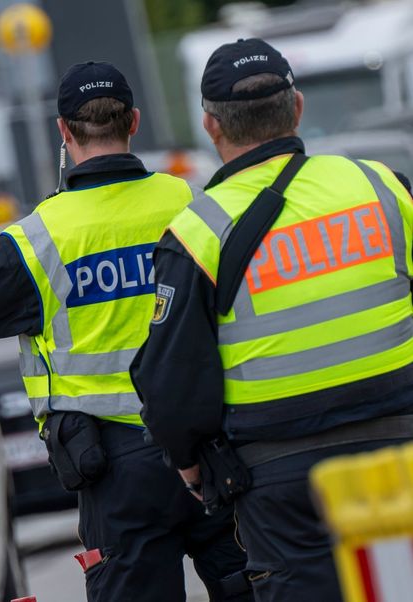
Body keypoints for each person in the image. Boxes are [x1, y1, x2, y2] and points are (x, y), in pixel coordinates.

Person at [0, 61, 250, 602]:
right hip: (211, 448)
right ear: (134, 121)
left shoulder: (40, 238)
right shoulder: (191, 204)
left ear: (64, 132)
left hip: (116, 473)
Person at [131, 38, 413, 602]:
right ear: (298, 107)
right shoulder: (381, 186)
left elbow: (172, 382)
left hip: (283, 477)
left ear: (211, 126)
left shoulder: (198, 231)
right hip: (399, 449)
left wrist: (190, 466)